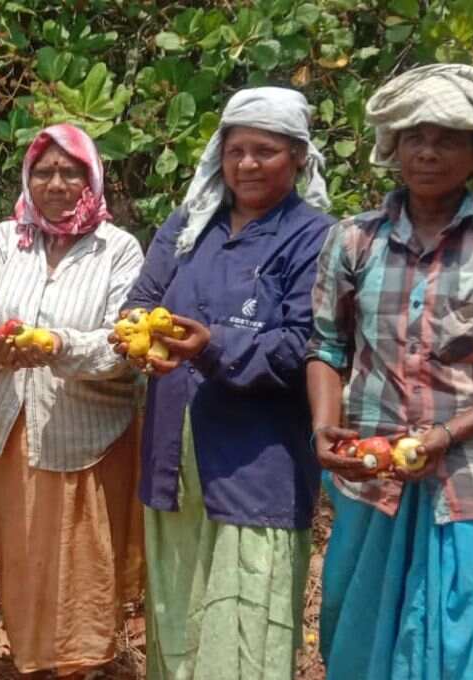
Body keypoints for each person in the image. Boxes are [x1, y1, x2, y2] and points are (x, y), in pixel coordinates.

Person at [306, 63, 473, 679]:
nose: (427, 151)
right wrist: (325, 427)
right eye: (413, 136)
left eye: (448, 137)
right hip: (373, 483)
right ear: (392, 146)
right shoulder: (353, 240)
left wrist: (446, 435)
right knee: (361, 638)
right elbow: (326, 348)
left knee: (468, 646)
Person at [114, 88, 336, 679]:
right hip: (173, 440)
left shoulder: (314, 236)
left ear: (297, 158)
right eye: (236, 150)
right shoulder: (188, 226)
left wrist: (212, 346)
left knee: (248, 604)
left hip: (257, 453)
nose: (247, 165)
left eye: (265, 151)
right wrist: (137, 335)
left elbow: (305, 345)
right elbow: (142, 301)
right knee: (179, 595)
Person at [0, 123, 146, 678]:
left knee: (85, 558)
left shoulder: (118, 248)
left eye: (71, 171)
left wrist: (60, 346)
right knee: (25, 552)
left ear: (92, 177)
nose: (57, 182)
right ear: (28, 177)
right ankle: (34, 659)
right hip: (16, 426)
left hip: (90, 429)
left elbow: (125, 342)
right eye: (44, 171)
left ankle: (83, 663)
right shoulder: (4, 239)